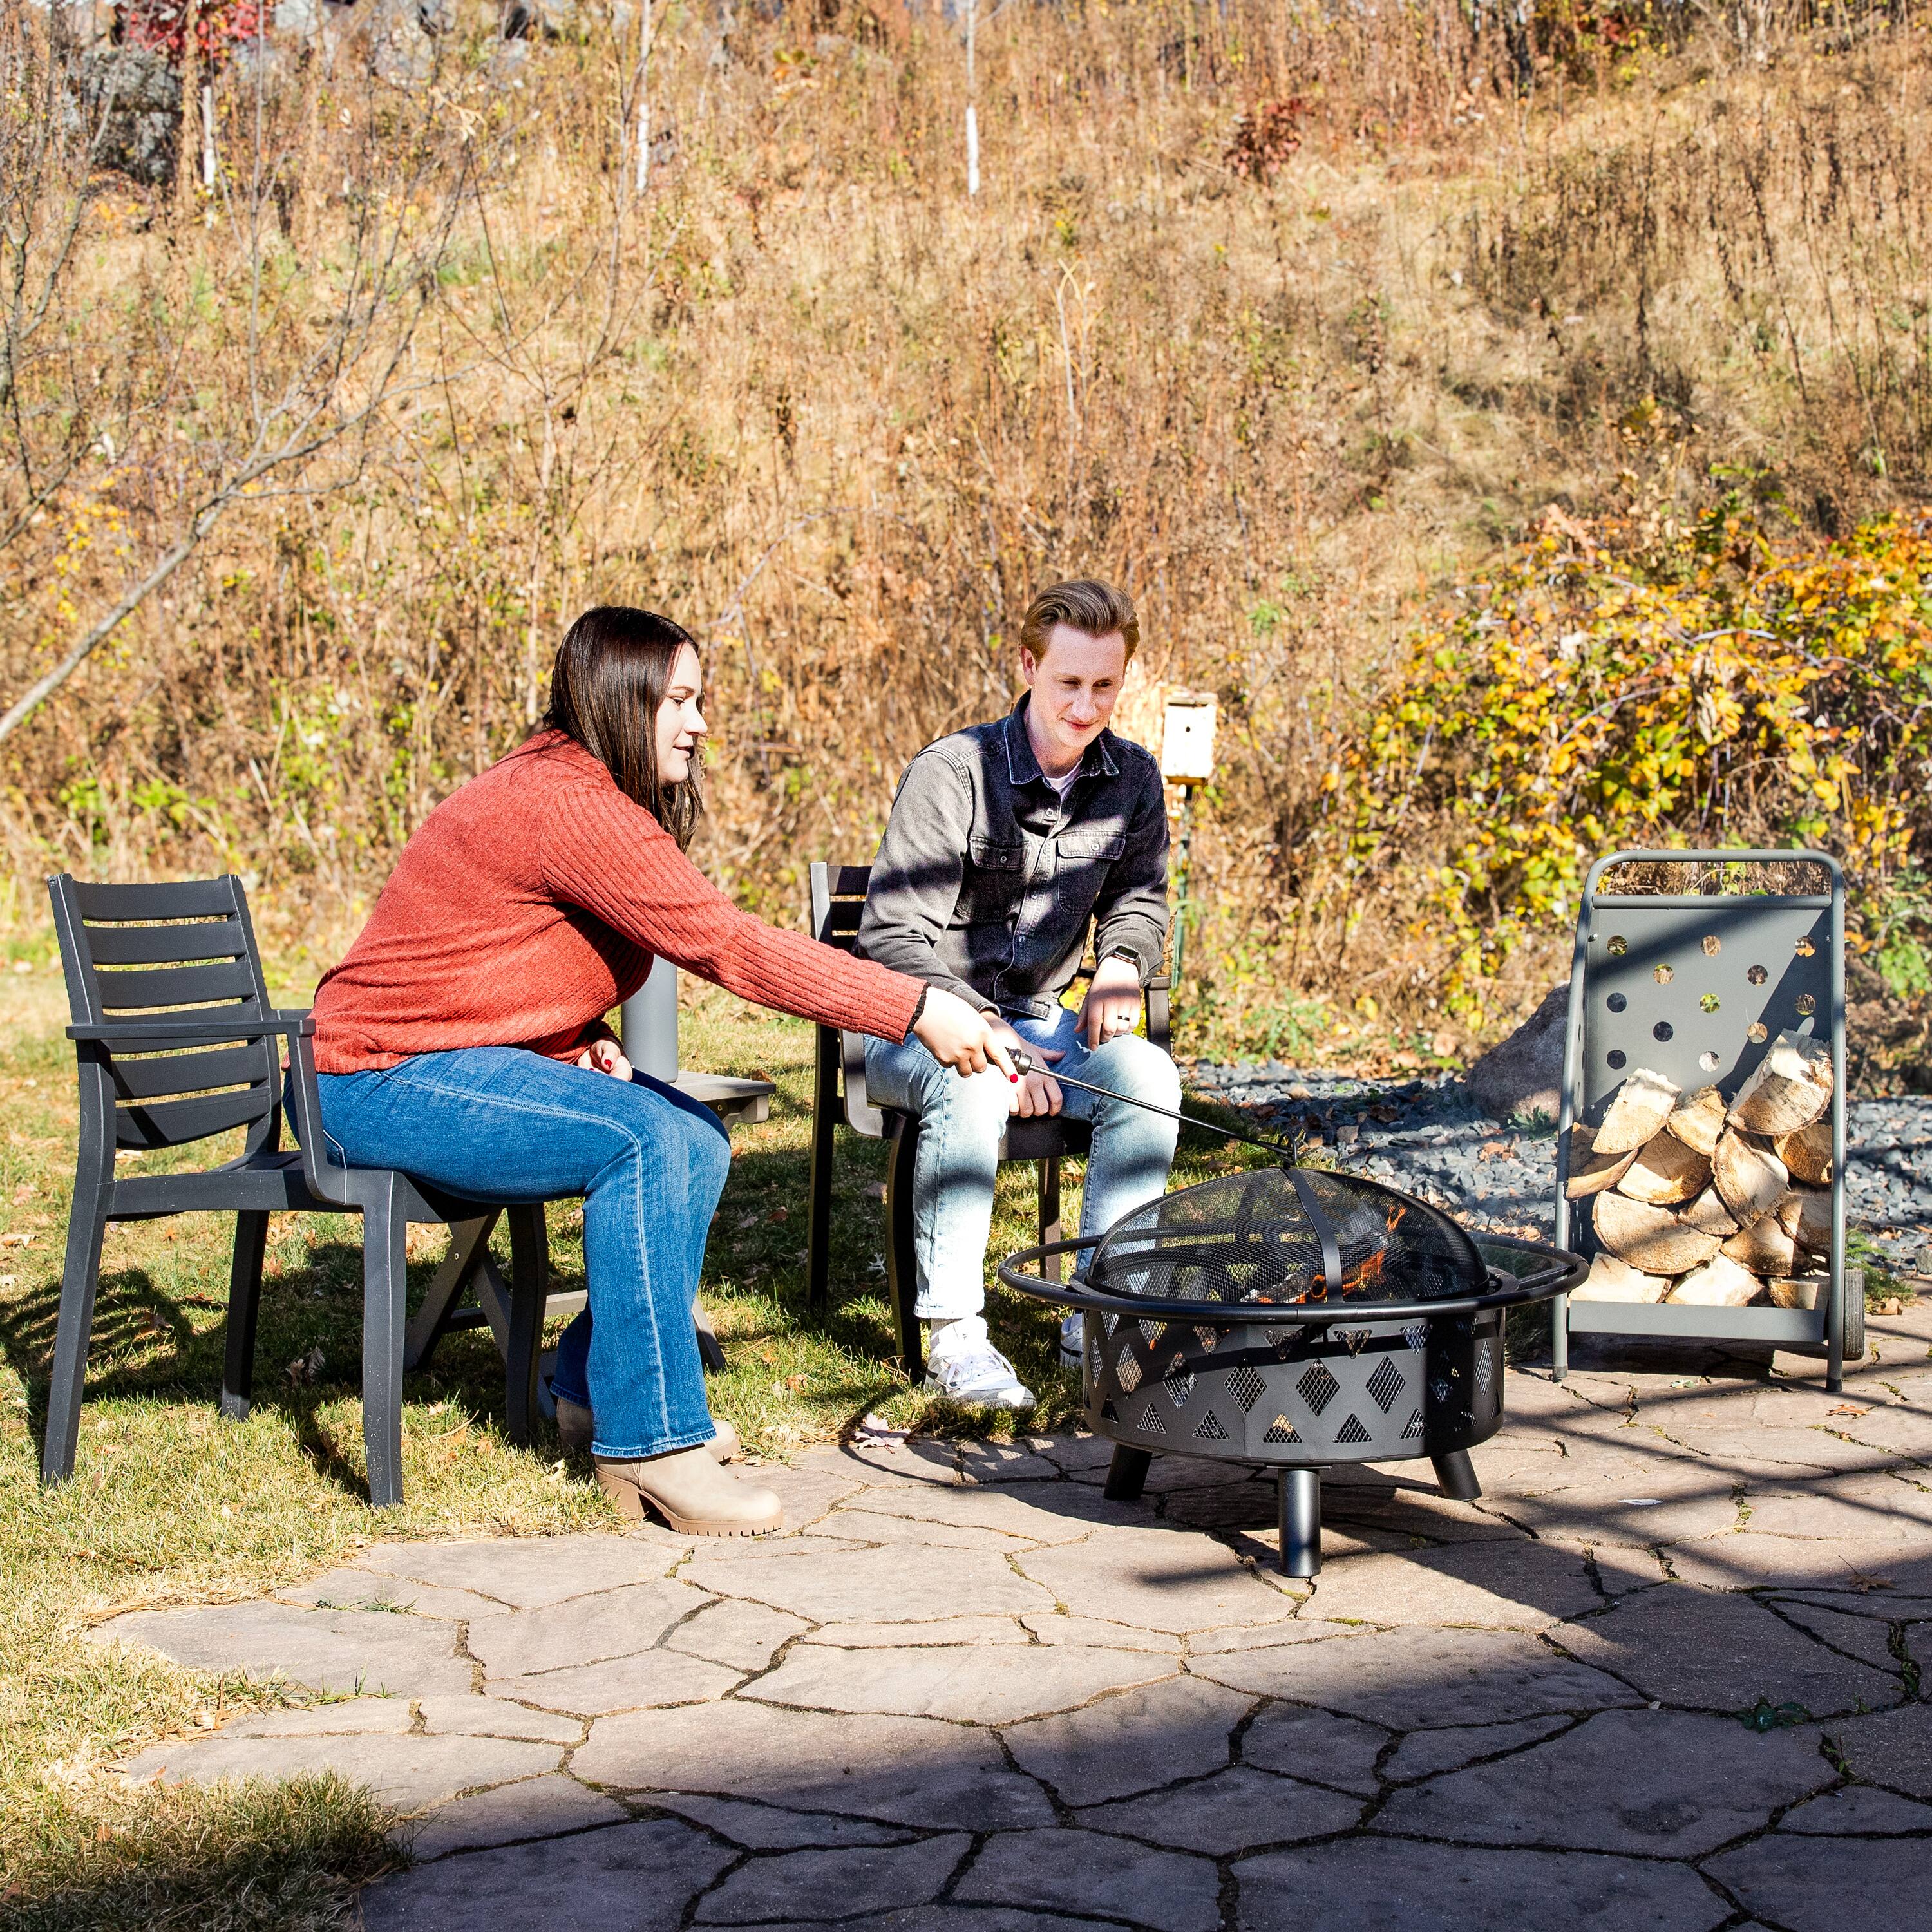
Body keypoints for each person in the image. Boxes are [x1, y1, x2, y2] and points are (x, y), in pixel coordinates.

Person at [311, 607, 1011, 1535]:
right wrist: (916, 1009)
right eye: (679, 700)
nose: (700, 723)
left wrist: (571, 1037)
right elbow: (729, 945)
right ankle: (652, 1445)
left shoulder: (577, 789)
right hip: (377, 1077)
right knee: (642, 1139)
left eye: (699, 699)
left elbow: (495, 952)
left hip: (447, 1057)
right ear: (622, 697)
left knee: (694, 1134)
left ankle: (589, 1385)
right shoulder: (568, 801)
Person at [857, 578, 1180, 1409]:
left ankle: (1101, 1319)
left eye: (1105, 685)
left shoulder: (1134, 781)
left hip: (1045, 1025)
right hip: (916, 1026)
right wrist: (992, 1038)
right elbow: (892, 939)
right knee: (972, 1078)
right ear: (1028, 666)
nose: (1086, 704)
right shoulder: (954, 773)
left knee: (1150, 1078)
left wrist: (1122, 963)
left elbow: (1142, 900)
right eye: (1069, 682)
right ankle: (955, 1336)